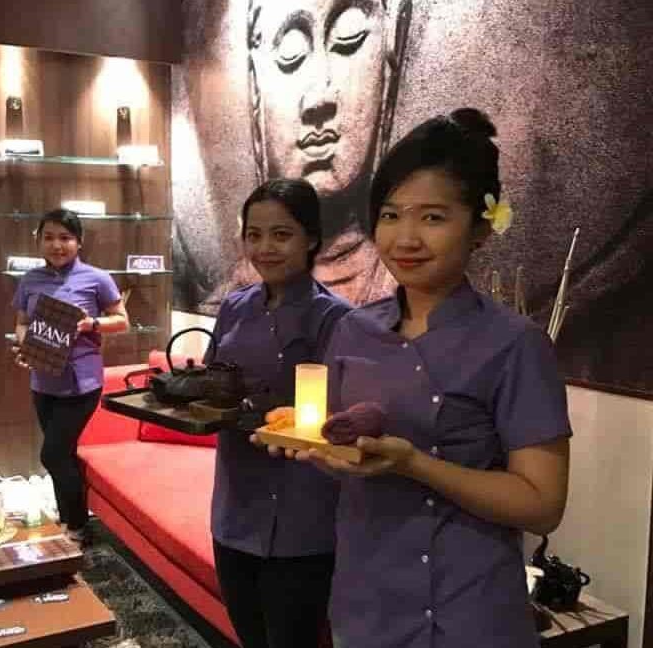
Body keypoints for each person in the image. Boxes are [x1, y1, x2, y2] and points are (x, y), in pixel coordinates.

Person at [266, 109, 572, 647]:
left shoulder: (515, 344)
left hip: (468, 612)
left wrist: (415, 464)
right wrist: (310, 441)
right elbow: (347, 458)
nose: (405, 238)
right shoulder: (354, 330)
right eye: (390, 215)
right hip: (366, 601)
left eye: (432, 217)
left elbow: (542, 505)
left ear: (481, 228)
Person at [196, 0, 412, 310]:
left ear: (387, 64)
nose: (318, 99)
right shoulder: (233, 307)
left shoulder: (382, 303)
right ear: (256, 95)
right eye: (290, 55)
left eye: (348, 39)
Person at [209, 178, 351, 648]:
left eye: (281, 234)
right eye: (254, 235)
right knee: (249, 634)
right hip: (235, 499)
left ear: (311, 238)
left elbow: (340, 415)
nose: (264, 248)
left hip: (301, 512)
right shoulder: (234, 307)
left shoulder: (335, 317)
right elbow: (213, 381)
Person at [12, 209, 129, 546]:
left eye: (65, 238)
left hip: (81, 383)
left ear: (79, 242)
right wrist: (27, 345)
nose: (57, 245)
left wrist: (91, 323)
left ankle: (77, 525)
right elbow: (22, 322)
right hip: (43, 380)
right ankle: (70, 520)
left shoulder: (97, 278)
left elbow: (122, 320)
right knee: (63, 454)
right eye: (48, 237)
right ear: (38, 241)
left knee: (52, 454)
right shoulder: (30, 280)